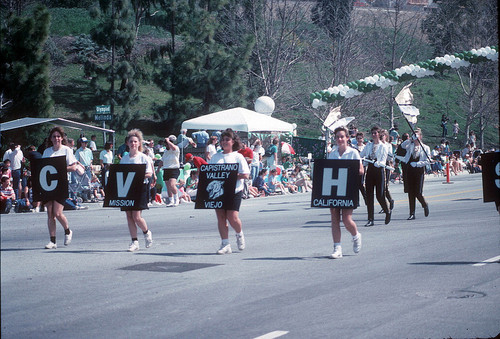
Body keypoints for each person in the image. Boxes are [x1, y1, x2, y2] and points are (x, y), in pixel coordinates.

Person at [209, 128, 250, 255]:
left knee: (232, 217)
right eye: (222, 140)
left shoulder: (238, 156)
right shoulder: (215, 157)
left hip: (234, 190)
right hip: (219, 191)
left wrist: (232, 175)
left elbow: (245, 174)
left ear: (233, 142)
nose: (224, 142)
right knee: (221, 217)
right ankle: (225, 243)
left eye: (227, 140)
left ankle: (239, 233)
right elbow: (209, 173)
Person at [327, 126, 363, 259]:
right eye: (337, 137)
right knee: (334, 218)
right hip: (334, 189)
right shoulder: (333, 153)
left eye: (342, 136)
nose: (340, 139)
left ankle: (356, 235)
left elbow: (361, 171)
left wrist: (348, 169)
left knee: (346, 219)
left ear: (347, 138)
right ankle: (337, 248)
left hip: (349, 188)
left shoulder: (353, 153)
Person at [41, 126, 78, 249]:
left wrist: (59, 169)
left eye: (58, 136)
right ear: (50, 139)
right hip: (48, 184)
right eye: (54, 136)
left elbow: (73, 167)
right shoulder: (47, 152)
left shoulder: (66, 150)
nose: (56, 138)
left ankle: (67, 231)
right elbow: (43, 168)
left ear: (62, 138)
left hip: (61, 183)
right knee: (50, 213)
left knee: (57, 213)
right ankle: (52, 241)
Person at [119, 129, 154, 252]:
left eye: (135, 141)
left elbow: (149, 174)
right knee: (129, 216)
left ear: (139, 143)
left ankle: (146, 232)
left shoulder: (143, 157)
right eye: (131, 141)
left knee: (136, 216)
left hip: (140, 188)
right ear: (127, 143)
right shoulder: (124, 159)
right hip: (127, 189)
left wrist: (137, 175)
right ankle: (134, 241)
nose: (133, 144)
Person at [360, 126, 391, 226]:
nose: (373, 135)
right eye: (372, 133)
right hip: (370, 171)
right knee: (369, 196)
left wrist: (379, 163)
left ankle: (387, 210)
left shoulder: (383, 146)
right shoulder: (369, 145)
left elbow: (383, 159)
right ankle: (370, 219)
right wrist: (363, 159)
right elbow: (362, 154)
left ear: (379, 134)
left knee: (380, 195)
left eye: (375, 133)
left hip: (379, 171)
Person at [401, 128, 430, 220]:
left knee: (418, 192)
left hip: (419, 170)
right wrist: (410, 139)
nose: (415, 137)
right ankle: (412, 213)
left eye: (417, 135)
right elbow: (402, 145)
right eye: (414, 135)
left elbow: (427, 161)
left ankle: (424, 204)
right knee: (411, 193)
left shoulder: (425, 148)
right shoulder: (410, 145)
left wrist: (417, 164)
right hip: (409, 169)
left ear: (420, 136)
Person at [161, 135, 180, 207]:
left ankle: (176, 199)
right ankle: (171, 201)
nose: (166, 145)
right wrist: (159, 168)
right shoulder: (165, 151)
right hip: (166, 169)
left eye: (167, 144)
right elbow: (162, 160)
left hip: (174, 169)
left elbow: (174, 147)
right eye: (165, 144)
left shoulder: (175, 149)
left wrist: (168, 141)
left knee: (172, 185)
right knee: (168, 186)